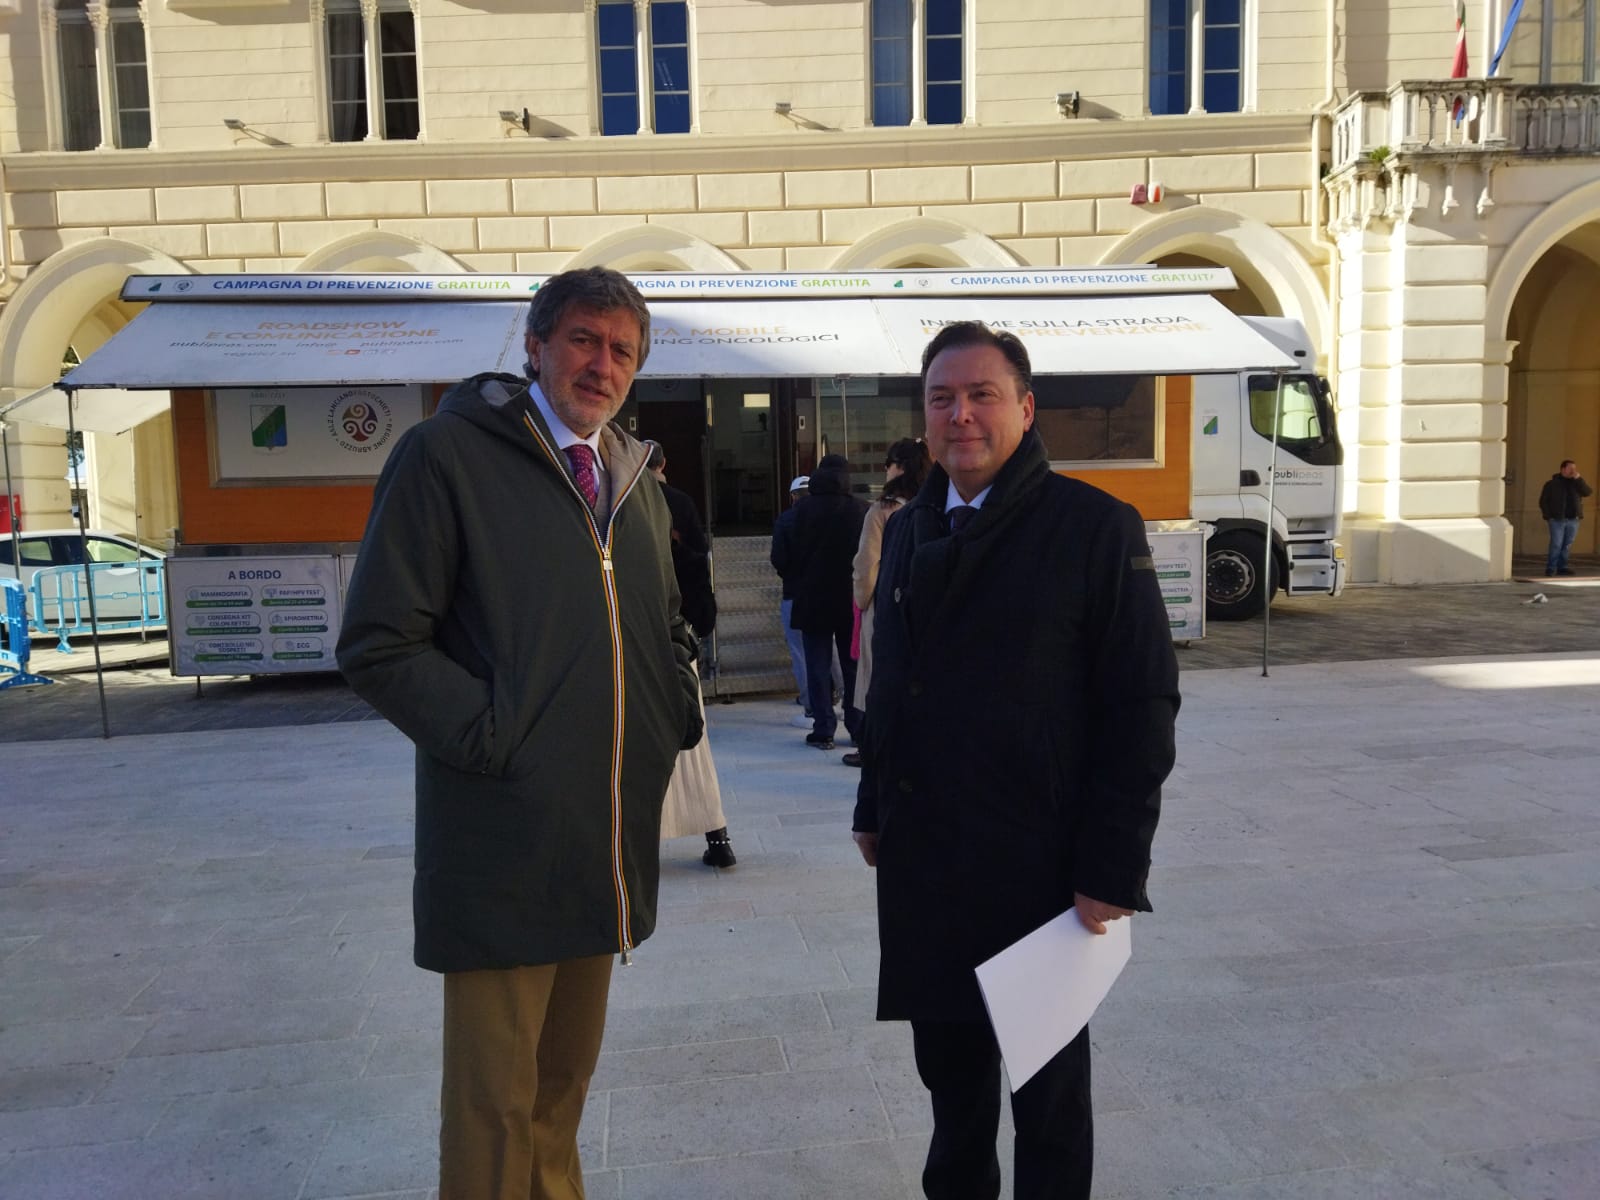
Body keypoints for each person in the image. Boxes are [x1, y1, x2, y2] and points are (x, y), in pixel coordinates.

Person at [336, 266, 703, 1200]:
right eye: (583, 339)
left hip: (603, 839)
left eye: (623, 351)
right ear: (534, 346)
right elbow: (379, 643)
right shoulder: (446, 457)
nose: (602, 364)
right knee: (494, 1105)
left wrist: (672, 713)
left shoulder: (635, 479)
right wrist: (500, 739)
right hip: (501, 838)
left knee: (561, 1089)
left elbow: (664, 623)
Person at [852, 321, 1180, 1200]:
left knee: (1049, 1107)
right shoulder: (910, 527)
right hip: (930, 868)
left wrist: (1113, 865)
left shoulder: (1095, 528)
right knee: (953, 1100)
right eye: (942, 399)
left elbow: (1142, 705)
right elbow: (894, 683)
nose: (960, 415)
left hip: (1042, 877)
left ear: (1026, 410)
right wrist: (873, 803)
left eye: (981, 395)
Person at [645, 440, 736, 869]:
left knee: (641, 741)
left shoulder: (621, 502)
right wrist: (702, 621)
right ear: (664, 464)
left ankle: (638, 837)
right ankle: (717, 836)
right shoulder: (679, 501)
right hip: (680, 633)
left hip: (638, 636)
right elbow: (698, 567)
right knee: (694, 740)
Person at [842, 437, 930, 769]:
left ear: (900, 467)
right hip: (923, 608)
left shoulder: (882, 510)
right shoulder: (931, 505)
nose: (886, 470)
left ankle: (874, 749)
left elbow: (867, 566)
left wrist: (861, 600)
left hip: (885, 608)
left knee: (876, 682)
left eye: (889, 464)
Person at [787, 452, 868, 750]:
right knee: (853, 665)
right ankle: (857, 726)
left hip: (812, 598)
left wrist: (800, 577)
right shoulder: (862, 510)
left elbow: (783, 554)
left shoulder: (801, 510)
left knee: (817, 665)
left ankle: (823, 728)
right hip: (850, 598)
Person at [1538, 458, 1592, 577]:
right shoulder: (1552, 484)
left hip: (1573, 519)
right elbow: (1543, 501)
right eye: (1570, 468)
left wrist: (1579, 479)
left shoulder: (1577, 483)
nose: (1573, 470)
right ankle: (1551, 568)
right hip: (1557, 519)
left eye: (1574, 468)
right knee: (1556, 544)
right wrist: (1548, 516)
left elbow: (1587, 492)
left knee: (1567, 545)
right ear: (1563, 469)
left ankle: (1562, 567)